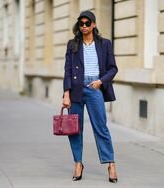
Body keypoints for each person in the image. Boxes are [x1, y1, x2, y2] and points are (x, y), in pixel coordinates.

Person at [62, 10, 118, 183]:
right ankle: (78, 163)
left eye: (87, 23)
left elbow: (113, 68)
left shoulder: (105, 44)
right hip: (76, 90)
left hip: (94, 88)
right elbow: (68, 70)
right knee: (75, 129)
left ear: (94, 24)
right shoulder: (73, 44)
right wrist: (66, 93)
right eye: (81, 23)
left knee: (101, 127)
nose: (84, 26)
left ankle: (111, 164)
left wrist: (100, 81)